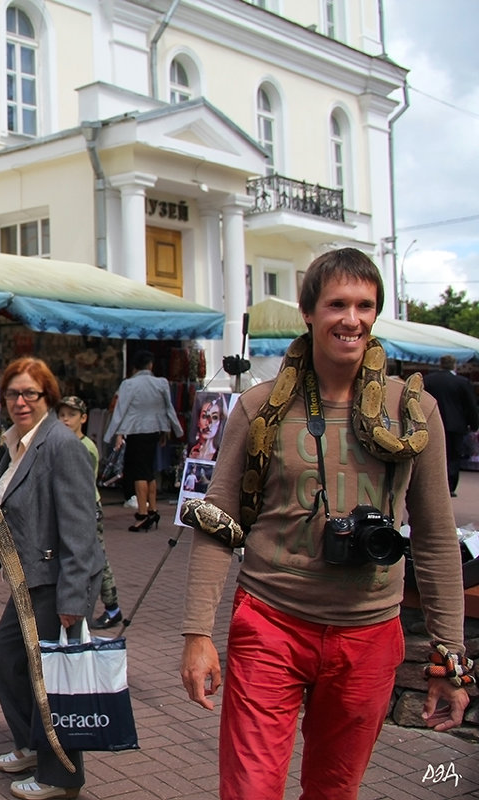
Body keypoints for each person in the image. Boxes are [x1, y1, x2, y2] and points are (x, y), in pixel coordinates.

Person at [179, 247, 472, 800]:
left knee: (335, 788)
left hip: (369, 633)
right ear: (308, 311)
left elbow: (434, 539)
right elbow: (217, 524)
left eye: (365, 305)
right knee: (249, 789)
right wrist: (197, 634)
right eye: (337, 303)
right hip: (272, 623)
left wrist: (450, 658)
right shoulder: (259, 406)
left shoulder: (413, 410)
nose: (351, 319)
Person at [0, 358, 102, 800]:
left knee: (51, 681)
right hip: (26, 579)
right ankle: (33, 744)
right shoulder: (16, 442)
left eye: (29, 394)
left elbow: (81, 528)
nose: (20, 402)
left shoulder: (60, 444)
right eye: (13, 394)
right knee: (4, 656)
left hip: (55, 582)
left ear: (47, 397)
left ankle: (62, 776)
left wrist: (74, 598)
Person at [57, 395, 121, 630]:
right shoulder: (61, 442)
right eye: (62, 415)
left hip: (86, 508)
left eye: (71, 415)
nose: (65, 420)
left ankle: (112, 606)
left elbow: (81, 483)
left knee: (98, 558)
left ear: (83, 418)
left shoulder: (86, 447)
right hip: (71, 509)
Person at [103, 349, 183, 531]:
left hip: (136, 430)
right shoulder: (161, 383)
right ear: (151, 365)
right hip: (154, 430)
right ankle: (152, 509)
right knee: (149, 470)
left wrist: (113, 434)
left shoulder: (129, 384)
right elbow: (167, 409)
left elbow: (120, 411)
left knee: (138, 472)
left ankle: (143, 513)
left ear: (134, 367)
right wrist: (173, 430)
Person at [422, 353, 479, 497]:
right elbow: (470, 405)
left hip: (430, 423)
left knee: (432, 455)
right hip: (456, 425)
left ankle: (431, 484)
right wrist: (474, 425)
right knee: (453, 456)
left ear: (440, 364)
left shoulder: (427, 380)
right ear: (454, 365)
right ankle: (450, 486)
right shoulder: (462, 382)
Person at [187, 392, 227, 461]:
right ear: (198, 421)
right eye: (204, 416)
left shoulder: (222, 456)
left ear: (220, 422)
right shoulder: (192, 451)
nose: (208, 423)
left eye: (214, 417)